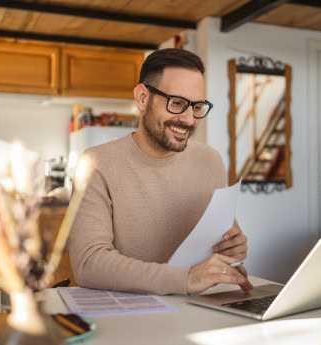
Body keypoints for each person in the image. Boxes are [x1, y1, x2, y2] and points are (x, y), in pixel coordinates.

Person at [68, 48, 252, 295]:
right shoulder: (96, 163)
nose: (189, 119)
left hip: (202, 306)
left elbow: (218, 239)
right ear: (143, 98)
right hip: (132, 312)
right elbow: (88, 263)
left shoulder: (211, 160)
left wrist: (232, 249)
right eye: (177, 103)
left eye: (197, 106)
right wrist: (185, 279)